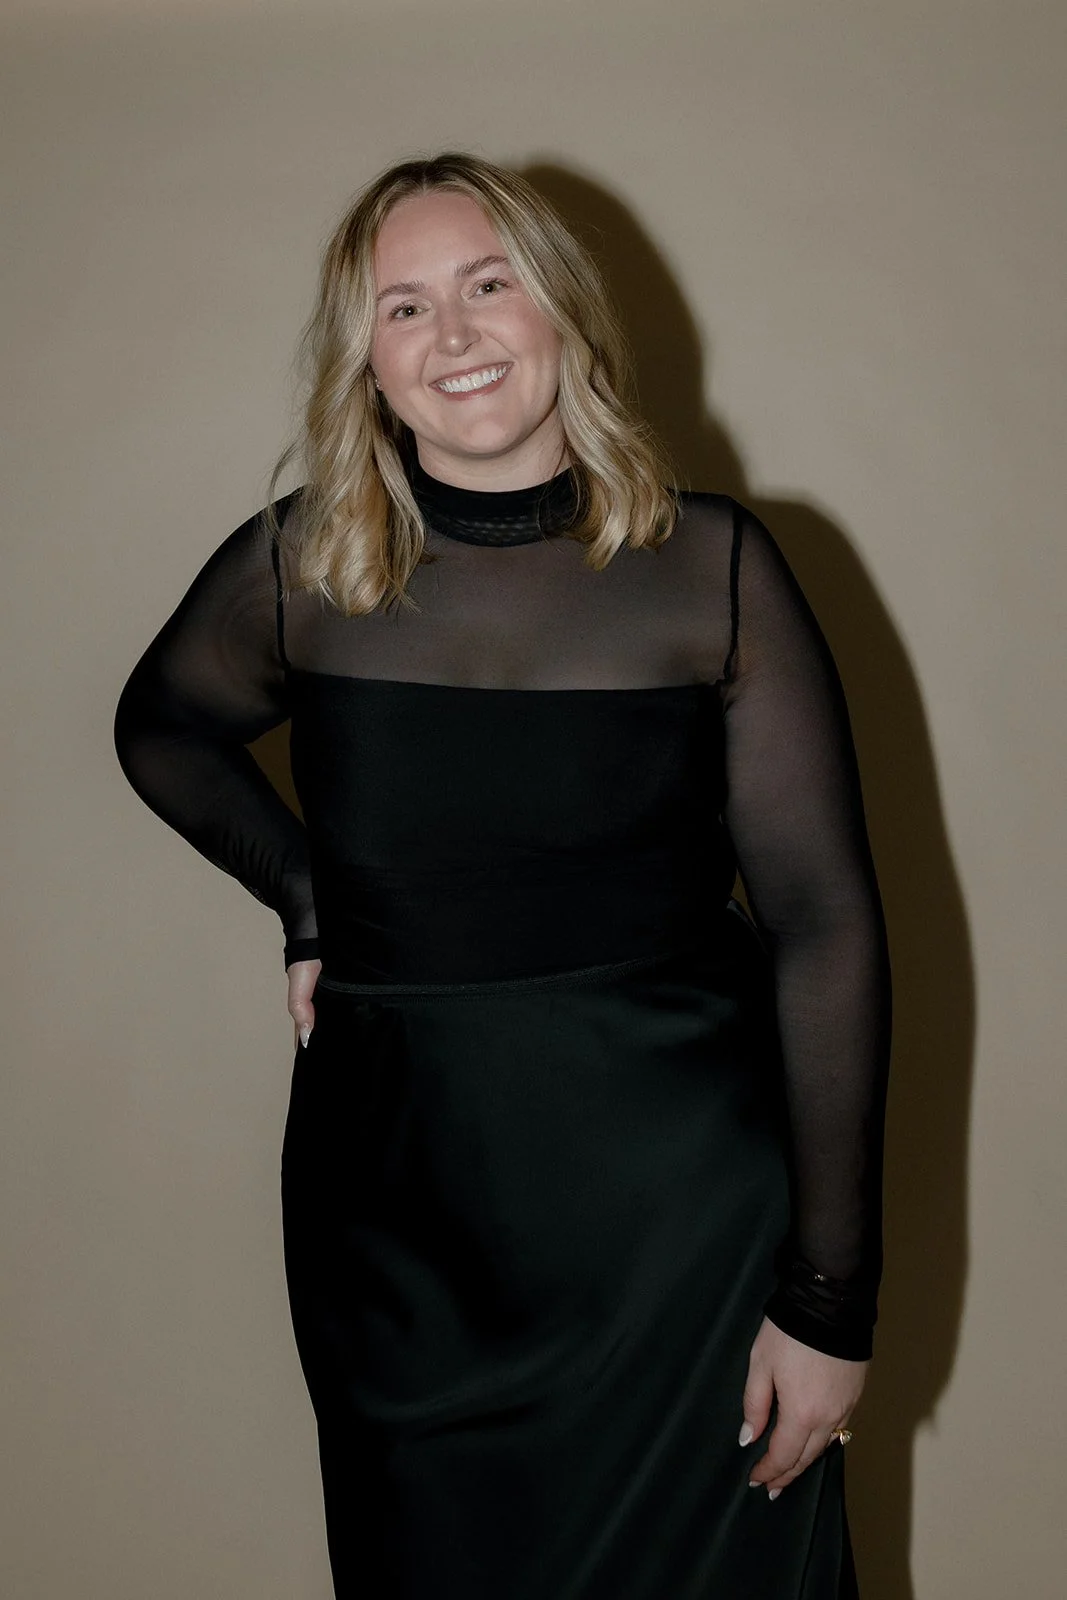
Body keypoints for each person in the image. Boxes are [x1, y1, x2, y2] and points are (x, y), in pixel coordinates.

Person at [113, 151, 892, 1599]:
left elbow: (823, 926)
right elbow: (159, 729)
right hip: (401, 1238)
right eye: (403, 307)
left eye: (489, 283)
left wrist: (830, 1302)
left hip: (684, 1233)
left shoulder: (713, 568)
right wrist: (303, 892)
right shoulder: (302, 567)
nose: (454, 333)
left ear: (561, 309)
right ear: (366, 361)